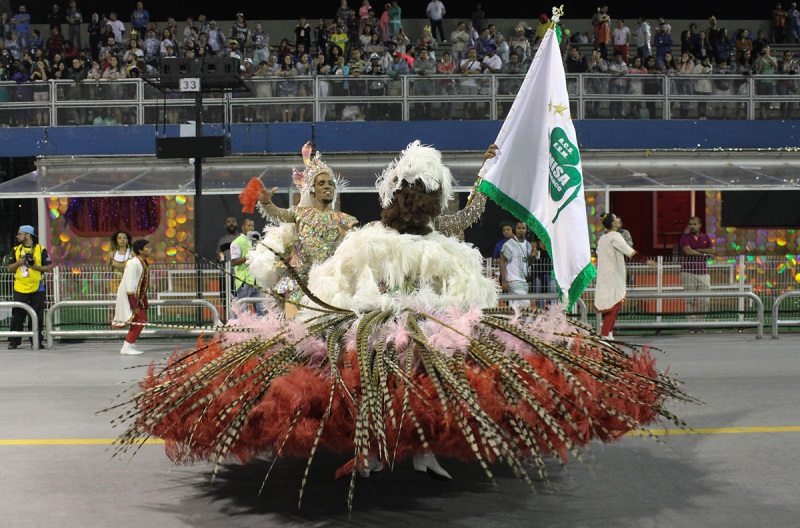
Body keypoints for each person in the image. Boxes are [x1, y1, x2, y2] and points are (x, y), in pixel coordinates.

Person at [117, 141, 690, 508]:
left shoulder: (436, 243)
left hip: (433, 329)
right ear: (402, 197)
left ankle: (416, 450)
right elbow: (339, 282)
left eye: (426, 194)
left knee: (424, 388)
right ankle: (378, 450)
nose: (420, 203)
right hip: (373, 326)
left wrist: (487, 174)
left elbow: (462, 239)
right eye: (414, 193)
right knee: (377, 385)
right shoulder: (371, 238)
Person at [255, 142, 358, 318]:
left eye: (331, 183)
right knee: (293, 329)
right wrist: (266, 202)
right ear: (312, 189)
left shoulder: (344, 219)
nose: (327, 186)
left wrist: (348, 236)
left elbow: (357, 243)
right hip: (297, 280)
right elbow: (278, 214)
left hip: (328, 283)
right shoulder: (300, 213)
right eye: (322, 183)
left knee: (323, 327)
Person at [595, 212, 654, 340]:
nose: (618, 219)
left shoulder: (602, 238)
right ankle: (605, 335)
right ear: (612, 223)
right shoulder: (614, 236)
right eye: (616, 218)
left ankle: (609, 333)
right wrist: (645, 260)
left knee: (615, 303)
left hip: (606, 276)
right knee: (614, 304)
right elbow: (628, 251)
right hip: (613, 276)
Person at [7, 225, 52, 349]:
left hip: (37, 287)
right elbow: (10, 267)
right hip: (20, 287)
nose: (17, 236)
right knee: (17, 316)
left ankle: (36, 341)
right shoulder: (16, 250)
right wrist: (19, 262)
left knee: (37, 316)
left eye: (20, 234)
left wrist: (34, 266)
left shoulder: (40, 250)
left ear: (28, 235)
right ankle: (14, 341)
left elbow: (48, 267)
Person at [113, 239, 152, 355]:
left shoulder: (142, 262)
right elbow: (130, 284)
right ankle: (126, 346)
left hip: (137, 296)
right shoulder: (133, 263)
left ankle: (130, 343)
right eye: (147, 248)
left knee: (140, 320)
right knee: (140, 320)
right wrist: (133, 303)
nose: (149, 250)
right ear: (140, 250)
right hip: (130, 297)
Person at [679, 216, 714, 328]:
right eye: (690, 224)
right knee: (691, 300)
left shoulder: (705, 237)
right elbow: (688, 251)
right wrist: (704, 254)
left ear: (700, 225)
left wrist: (697, 250)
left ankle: (701, 325)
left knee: (705, 300)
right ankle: (691, 326)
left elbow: (712, 250)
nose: (692, 226)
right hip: (688, 272)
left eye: (694, 224)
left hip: (703, 272)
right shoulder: (685, 237)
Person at [230, 218, 264, 316]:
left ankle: (263, 330)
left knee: (262, 310)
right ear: (243, 227)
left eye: (252, 226)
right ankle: (240, 330)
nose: (251, 228)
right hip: (244, 281)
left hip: (257, 281)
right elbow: (234, 261)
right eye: (248, 225)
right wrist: (249, 257)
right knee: (242, 311)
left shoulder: (257, 241)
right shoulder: (237, 242)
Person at [499, 221, 533, 308]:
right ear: (515, 230)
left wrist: (532, 256)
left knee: (516, 310)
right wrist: (504, 282)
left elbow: (528, 263)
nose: (521, 230)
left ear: (527, 230)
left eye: (523, 228)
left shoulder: (528, 245)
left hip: (524, 281)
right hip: (513, 280)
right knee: (524, 308)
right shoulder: (509, 244)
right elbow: (502, 261)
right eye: (519, 228)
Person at [108, 230, 132, 295]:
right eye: (119, 238)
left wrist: (119, 265)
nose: (122, 240)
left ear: (127, 240)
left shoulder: (131, 253)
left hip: (128, 283)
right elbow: (108, 268)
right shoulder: (112, 254)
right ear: (116, 241)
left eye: (125, 238)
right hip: (115, 283)